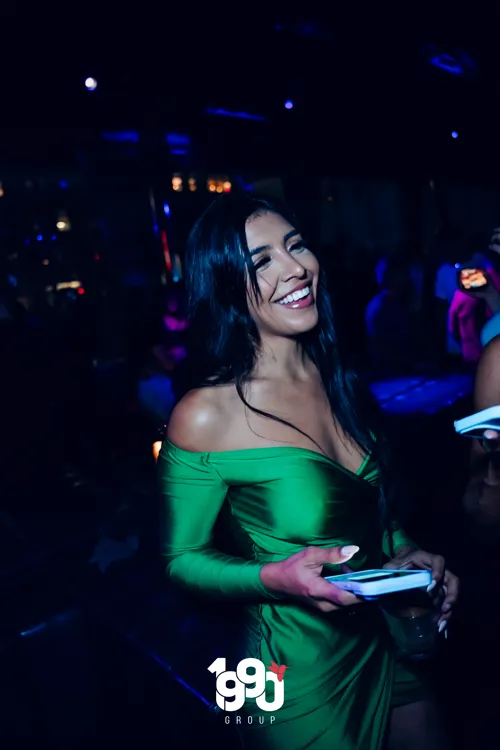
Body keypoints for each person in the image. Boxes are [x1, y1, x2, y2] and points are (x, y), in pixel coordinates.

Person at [158, 195, 458, 750]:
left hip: (384, 638)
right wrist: (273, 578)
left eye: (295, 245)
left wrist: (406, 555)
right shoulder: (206, 413)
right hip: (296, 675)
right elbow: (180, 560)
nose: (295, 267)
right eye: (261, 262)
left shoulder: (338, 377)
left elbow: (369, 512)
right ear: (224, 286)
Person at [365, 256, 418, 376]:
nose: (407, 277)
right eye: (402, 273)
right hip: (392, 374)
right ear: (391, 276)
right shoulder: (382, 307)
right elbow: (379, 346)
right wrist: (408, 364)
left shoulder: (396, 303)